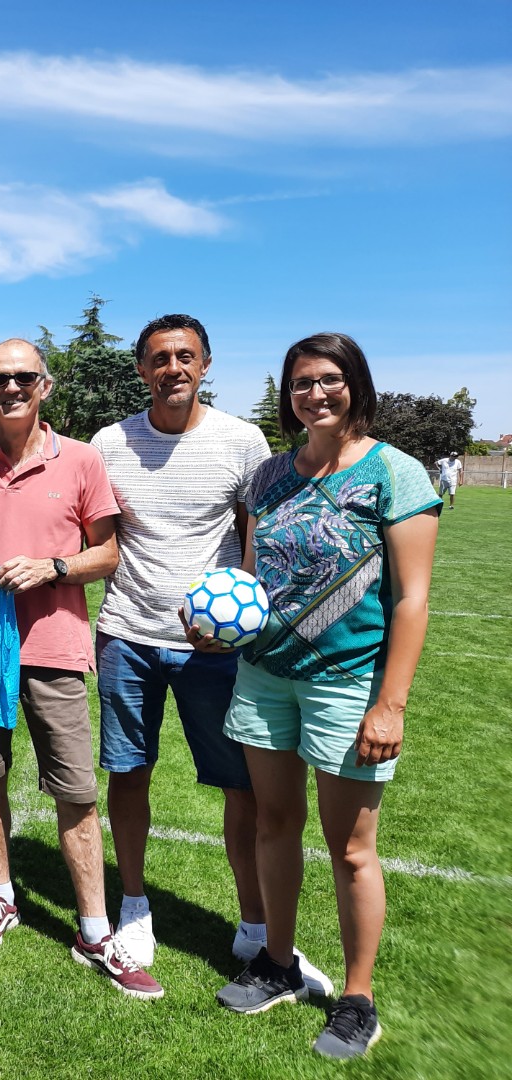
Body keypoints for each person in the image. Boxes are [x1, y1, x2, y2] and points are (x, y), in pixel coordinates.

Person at [89, 315, 335, 995]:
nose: (172, 368)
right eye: (159, 358)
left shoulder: (241, 440)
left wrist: (237, 616)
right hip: (127, 636)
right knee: (128, 774)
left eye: (185, 356)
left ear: (204, 365)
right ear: (142, 369)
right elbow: (100, 536)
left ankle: (254, 925)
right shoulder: (109, 442)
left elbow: (256, 535)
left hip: (218, 649)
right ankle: (133, 905)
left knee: (242, 787)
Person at [212, 333, 439, 1060]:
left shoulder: (395, 473)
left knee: (351, 849)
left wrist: (390, 704)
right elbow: (253, 579)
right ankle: (278, 963)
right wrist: (218, 622)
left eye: (330, 379)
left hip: (349, 686)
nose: (316, 394)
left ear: (356, 384)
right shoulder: (269, 477)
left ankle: (357, 998)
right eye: (302, 383)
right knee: (274, 823)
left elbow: (412, 599)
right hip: (264, 678)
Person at [0, 338, 161, 998]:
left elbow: (107, 554)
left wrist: (53, 567)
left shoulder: (80, 460)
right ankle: (0, 897)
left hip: (53, 646)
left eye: (25, 377)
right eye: (0, 378)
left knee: (76, 790)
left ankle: (94, 930)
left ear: (44, 386)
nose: (12, 387)